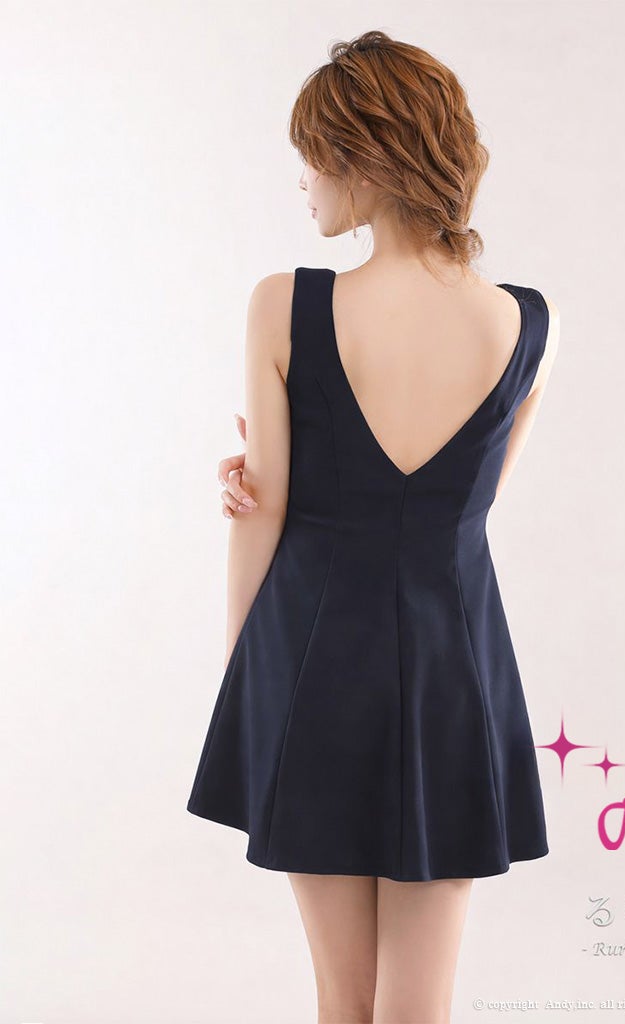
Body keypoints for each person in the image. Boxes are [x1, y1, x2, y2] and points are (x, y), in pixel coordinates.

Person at [187, 29, 560, 1024]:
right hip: (454, 670)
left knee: (342, 1001)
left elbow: (262, 512)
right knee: (416, 1007)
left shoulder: (284, 306)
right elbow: (468, 507)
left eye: (313, 154)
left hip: (310, 661)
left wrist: (245, 677)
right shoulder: (529, 324)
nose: (303, 180)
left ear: (364, 157)